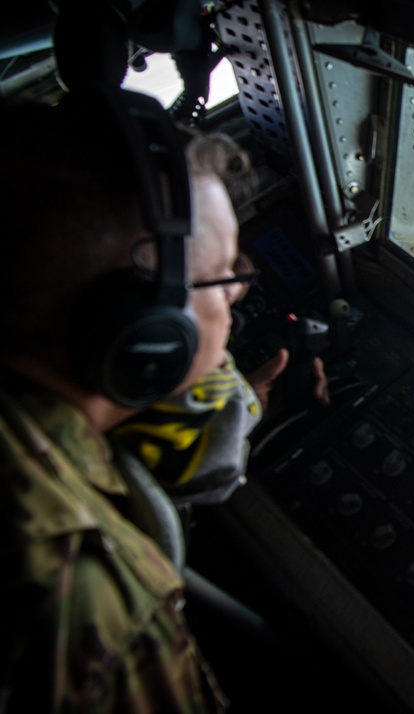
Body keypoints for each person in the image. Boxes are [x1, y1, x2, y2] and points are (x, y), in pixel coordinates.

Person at [0, 89, 317, 711]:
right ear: (145, 327)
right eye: (225, 276)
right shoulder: (92, 596)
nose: (235, 299)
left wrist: (246, 401)